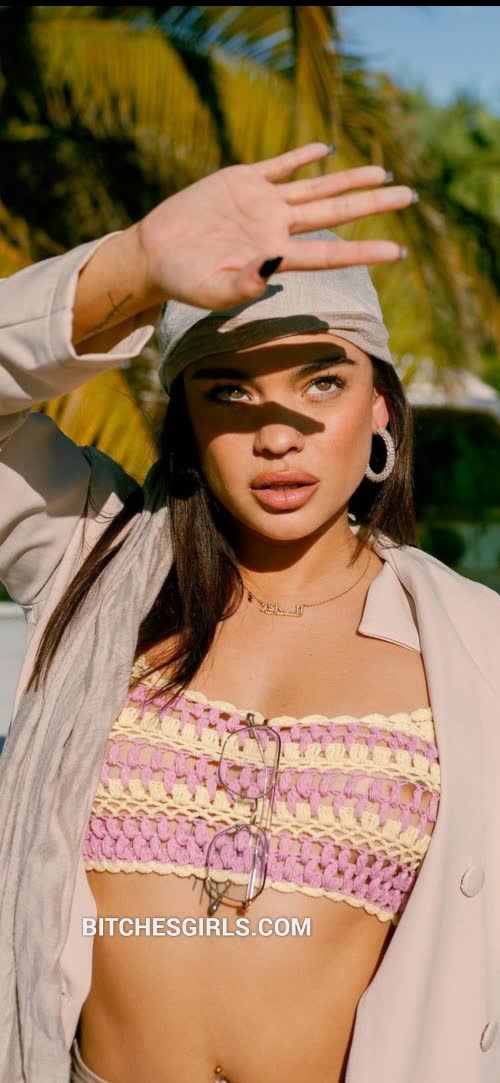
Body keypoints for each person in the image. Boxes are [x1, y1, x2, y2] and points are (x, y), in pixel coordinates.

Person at [0, 143, 498, 1083]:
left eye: (322, 381)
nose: (277, 433)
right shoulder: (92, 559)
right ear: (187, 422)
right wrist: (134, 265)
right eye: (229, 390)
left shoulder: (476, 645)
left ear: (382, 409)